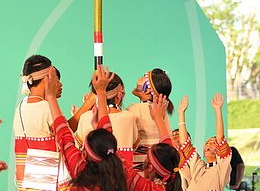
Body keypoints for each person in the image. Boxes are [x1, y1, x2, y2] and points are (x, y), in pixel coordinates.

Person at [44, 65, 182, 191]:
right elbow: (108, 134)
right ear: (119, 95)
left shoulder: (79, 167)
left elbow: (64, 135)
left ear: (85, 152)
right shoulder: (124, 173)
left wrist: (51, 96)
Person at [13, 54, 95, 191]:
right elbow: (65, 134)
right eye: (55, 78)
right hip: (49, 182)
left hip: (26, 182)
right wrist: (90, 102)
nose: (58, 83)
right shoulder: (46, 107)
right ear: (47, 79)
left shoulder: (21, 107)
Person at [76, 73, 138, 166]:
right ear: (119, 95)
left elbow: (79, 148)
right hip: (122, 176)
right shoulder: (129, 117)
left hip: (93, 176)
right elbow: (135, 144)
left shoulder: (85, 117)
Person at [177, 94, 231, 191]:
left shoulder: (221, 168)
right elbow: (185, 145)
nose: (208, 144)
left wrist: (218, 111)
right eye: (207, 142)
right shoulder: (199, 167)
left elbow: (220, 139)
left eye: (213, 142)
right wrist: (181, 113)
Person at [127, 70, 173, 173]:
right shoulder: (162, 112)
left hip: (140, 173)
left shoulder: (135, 109)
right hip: (155, 172)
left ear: (147, 90)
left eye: (144, 76)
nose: (139, 77)